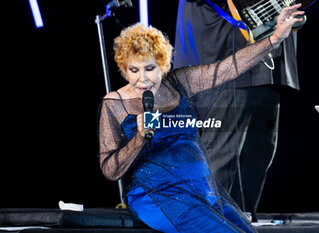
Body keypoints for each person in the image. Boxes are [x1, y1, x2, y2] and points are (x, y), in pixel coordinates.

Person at [98, 5, 303, 233]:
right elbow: (110, 170)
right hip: (158, 196)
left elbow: (229, 68)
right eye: (133, 70)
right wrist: (138, 139)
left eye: (150, 69)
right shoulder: (114, 103)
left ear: (162, 65)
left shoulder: (178, 83)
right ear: (124, 70)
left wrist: (275, 38)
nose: (142, 79)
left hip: (202, 191)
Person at [174, 0, 301, 221]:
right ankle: (206, 223)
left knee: (258, 152)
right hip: (226, 43)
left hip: (270, 49)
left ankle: (240, 221)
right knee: (223, 154)